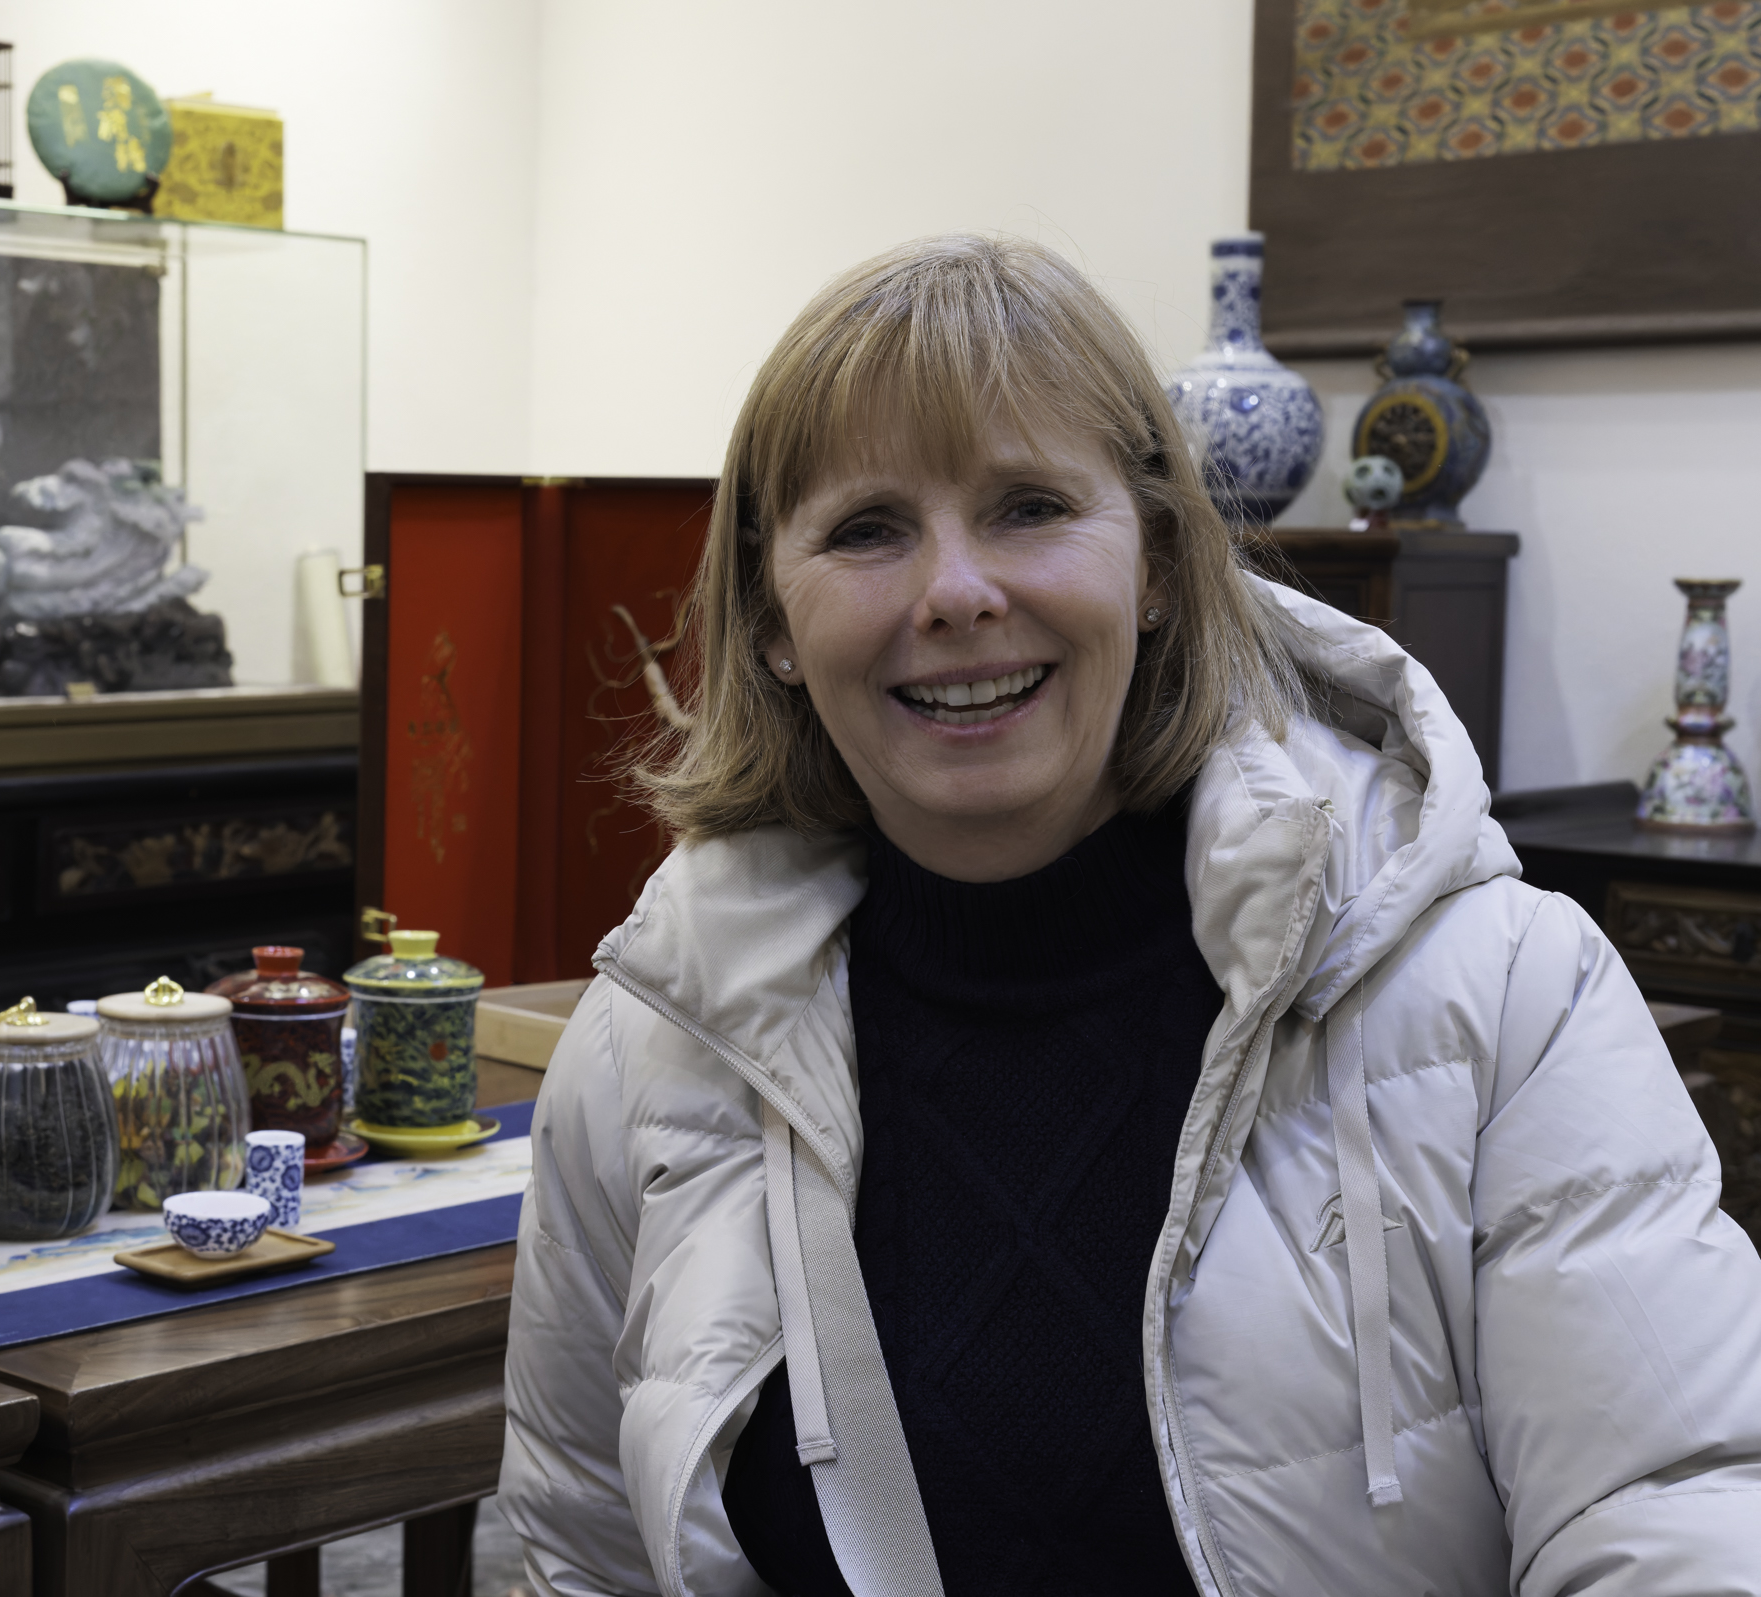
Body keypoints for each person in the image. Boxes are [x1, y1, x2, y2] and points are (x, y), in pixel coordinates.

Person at [495, 235, 1761, 1596]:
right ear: (775, 622)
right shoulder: (652, 1045)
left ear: (1156, 564)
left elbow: (1675, 1509)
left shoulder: (1502, 989)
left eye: (1029, 506)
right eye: (868, 529)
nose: (957, 591)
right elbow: (575, 1554)